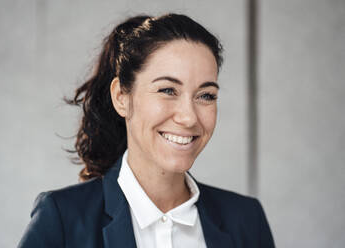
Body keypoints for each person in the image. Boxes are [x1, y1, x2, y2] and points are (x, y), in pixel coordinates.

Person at [18, 13, 275, 248]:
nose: (188, 117)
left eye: (206, 95)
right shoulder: (62, 219)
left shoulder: (246, 221)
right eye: (167, 90)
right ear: (121, 96)